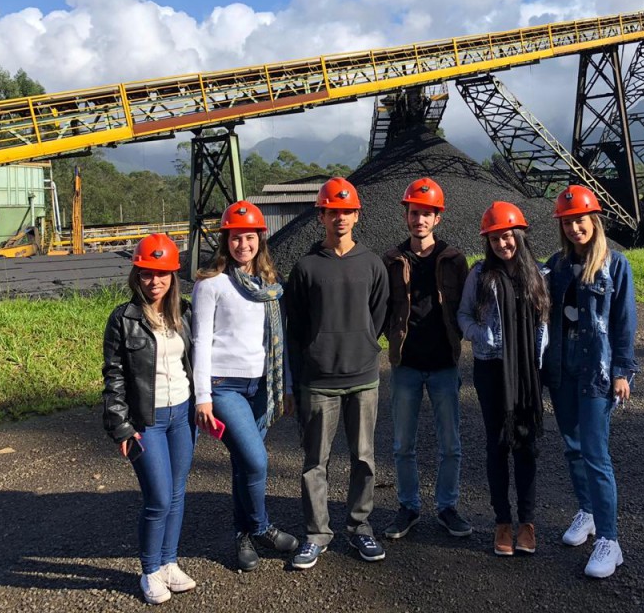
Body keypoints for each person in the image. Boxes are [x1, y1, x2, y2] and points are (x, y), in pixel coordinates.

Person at [285, 177, 390, 569]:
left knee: (363, 457)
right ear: (321, 216)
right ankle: (316, 534)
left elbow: (378, 314)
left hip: (363, 376)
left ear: (357, 215)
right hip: (318, 381)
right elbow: (296, 327)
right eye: (333, 211)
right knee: (315, 461)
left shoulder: (372, 263)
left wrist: (362, 342)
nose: (340, 218)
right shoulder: (307, 267)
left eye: (347, 211)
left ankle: (360, 527)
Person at [191, 200, 299, 572]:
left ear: (260, 240)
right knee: (256, 459)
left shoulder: (269, 285)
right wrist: (203, 396)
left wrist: (285, 387)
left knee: (243, 462)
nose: (243, 245)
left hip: (261, 386)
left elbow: (277, 340)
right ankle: (261, 526)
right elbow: (200, 341)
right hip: (225, 387)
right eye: (236, 238)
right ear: (226, 241)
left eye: (249, 238)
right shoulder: (212, 284)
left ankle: (242, 535)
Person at [543, 185, 638, 579]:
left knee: (597, 455)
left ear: (593, 221)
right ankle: (588, 512)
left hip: (597, 373)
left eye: (580, 220)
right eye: (567, 222)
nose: (574, 228)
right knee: (572, 447)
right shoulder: (556, 265)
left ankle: (610, 541)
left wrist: (622, 371)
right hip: (562, 370)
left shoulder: (615, 266)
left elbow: (624, 323)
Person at [102, 233, 197, 605]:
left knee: (176, 493)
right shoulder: (122, 320)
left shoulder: (184, 313)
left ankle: (170, 562)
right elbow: (113, 376)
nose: (154, 281)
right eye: (146, 273)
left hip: (183, 415)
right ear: (136, 275)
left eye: (162, 273)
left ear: (173, 276)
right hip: (148, 419)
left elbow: (195, 360)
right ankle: (150, 570)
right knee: (157, 498)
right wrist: (120, 425)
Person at [381, 177, 472, 541]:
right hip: (406, 364)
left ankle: (447, 507)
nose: (420, 220)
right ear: (406, 215)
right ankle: (409, 507)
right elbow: (382, 307)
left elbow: (468, 306)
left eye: (427, 214)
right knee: (404, 444)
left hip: (444, 365)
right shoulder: (390, 259)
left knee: (451, 444)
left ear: (438, 218)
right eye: (415, 212)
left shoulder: (453, 259)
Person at [458, 202, 549, 558]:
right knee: (497, 444)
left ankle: (527, 522)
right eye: (495, 238)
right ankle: (502, 522)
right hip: (492, 370)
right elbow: (462, 315)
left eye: (508, 236)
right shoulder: (479, 274)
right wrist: (480, 335)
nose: (502, 244)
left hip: (527, 372)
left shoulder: (539, 274)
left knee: (526, 444)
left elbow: (545, 322)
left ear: (519, 236)